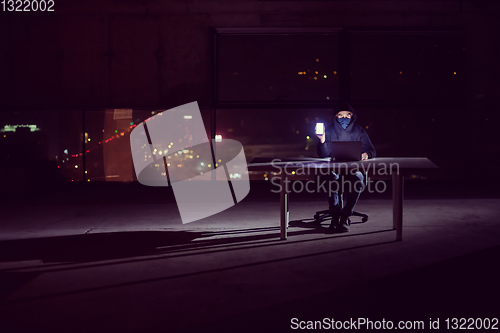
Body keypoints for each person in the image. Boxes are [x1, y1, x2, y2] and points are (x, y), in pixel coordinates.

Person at [316, 102, 376, 232]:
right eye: (340, 115)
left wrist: (366, 154)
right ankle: (335, 214)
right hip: (335, 169)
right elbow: (323, 154)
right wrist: (322, 139)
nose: (344, 118)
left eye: (347, 115)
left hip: (354, 169)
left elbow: (371, 150)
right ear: (335, 116)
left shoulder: (359, 130)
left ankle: (345, 215)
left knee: (359, 178)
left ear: (352, 116)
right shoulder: (330, 130)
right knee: (332, 177)